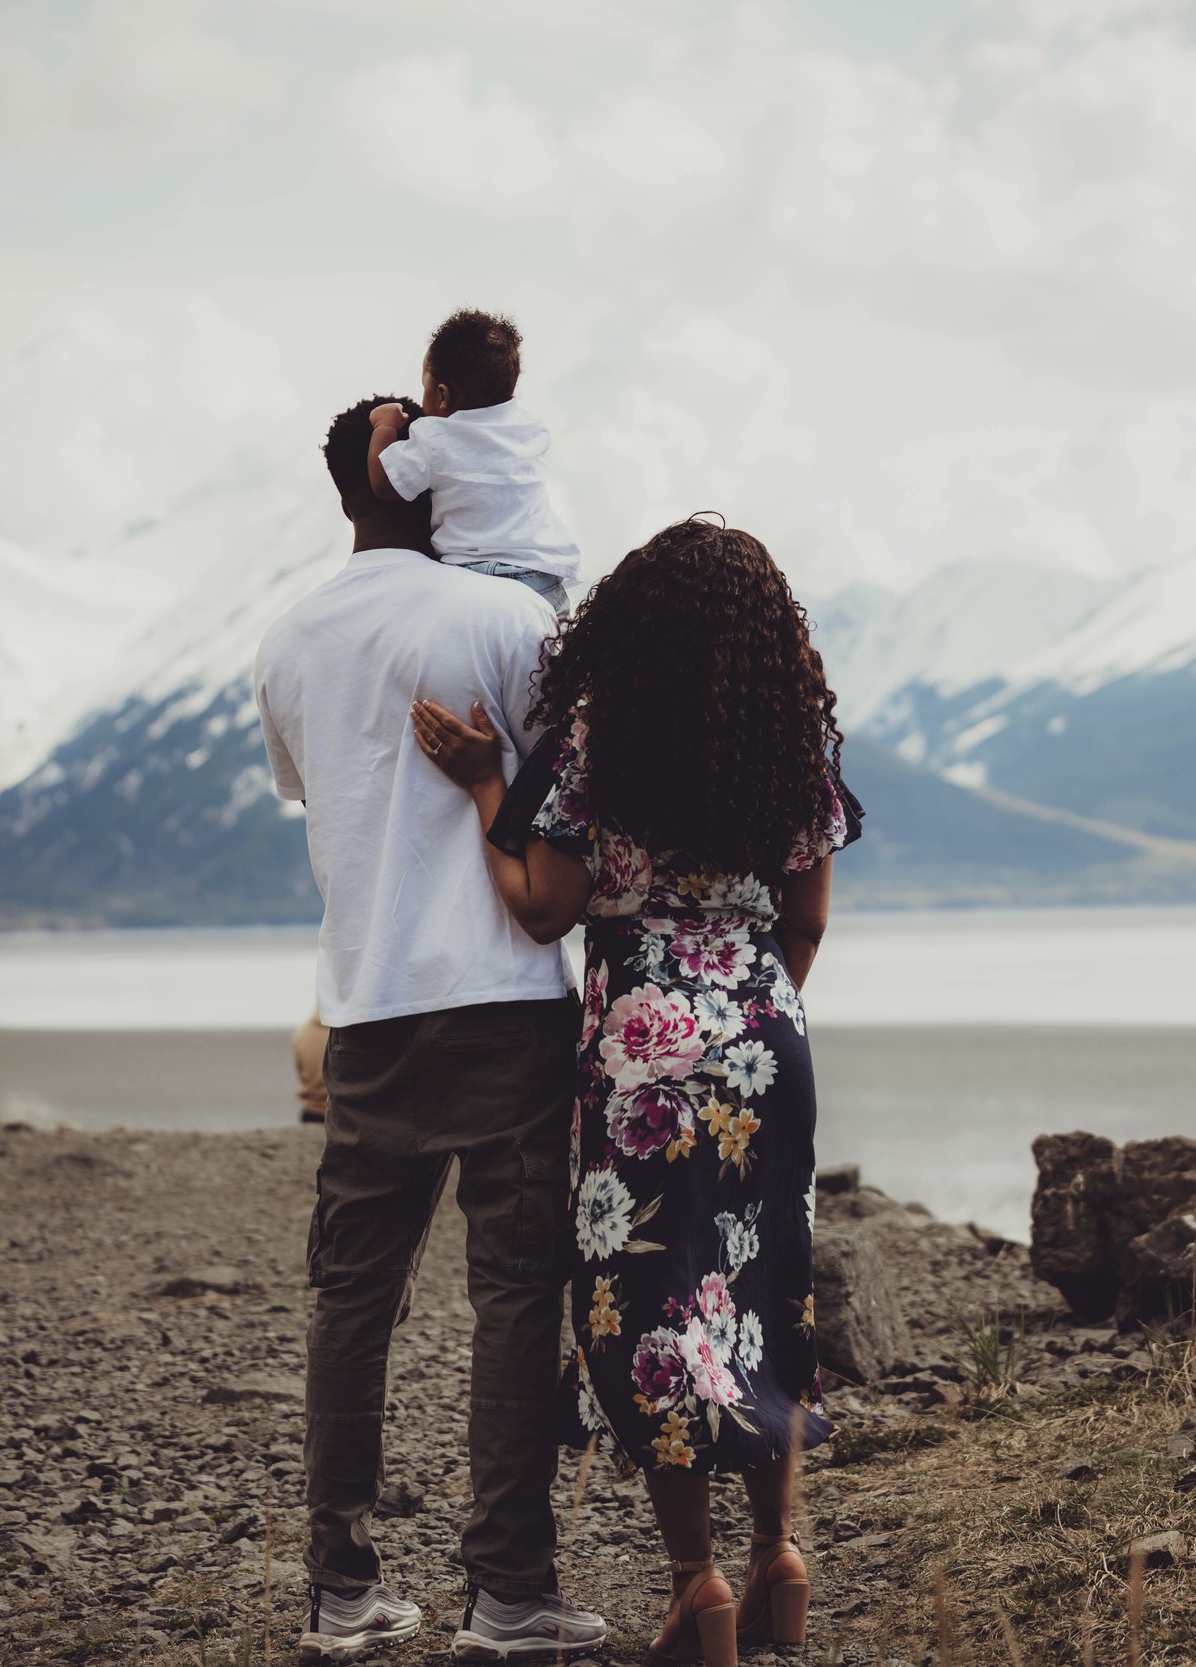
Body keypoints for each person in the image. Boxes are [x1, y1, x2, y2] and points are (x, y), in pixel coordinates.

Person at [411, 515, 861, 1667]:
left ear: (632, 623)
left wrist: (479, 786)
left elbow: (543, 903)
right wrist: (748, 1010)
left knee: (649, 1305)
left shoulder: (596, 738)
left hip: (638, 1045)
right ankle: (779, 1559)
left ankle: (697, 1584)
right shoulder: (788, 738)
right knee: (765, 1287)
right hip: (768, 1033)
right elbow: (806, 919)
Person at [254, 396, 607, 1662]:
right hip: (507, 1000)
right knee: (514, 1294)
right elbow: (568, 798)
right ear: (395, 472)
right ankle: (508, 1594)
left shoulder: (288, 640)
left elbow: (323, 793)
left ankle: (339, 1588)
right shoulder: (504, 618)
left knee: (353, 1301)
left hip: (365, 1008)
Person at [366, 309, 580, 613]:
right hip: (541, 575)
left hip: (474, 578)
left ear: (442, 395)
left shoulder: (435, 437)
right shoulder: (533, 430)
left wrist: (384, 426)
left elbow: (384, 484)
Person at [292, 1009, 327, 1124]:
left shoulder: (301, 1033)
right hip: (340, 1112)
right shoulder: (349, 1032)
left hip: (311, 1111)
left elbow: (302, 1072)